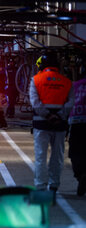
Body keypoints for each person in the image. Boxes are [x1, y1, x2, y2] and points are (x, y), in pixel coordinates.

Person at [29, 53, 74, 192]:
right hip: (60, 125)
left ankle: (40, 185)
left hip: (41, 124)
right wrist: (59, 115)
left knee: (41, 156)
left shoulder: (36, 80)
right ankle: (54, 185)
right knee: (57, 156)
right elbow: (70, 102)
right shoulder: (66, 82)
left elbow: (35, 103)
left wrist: (47, 115)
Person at [68, 64, 86, 196]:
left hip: (76, 123)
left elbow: (67, 103)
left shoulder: (75, 86)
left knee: (75, 153)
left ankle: (80, 175)